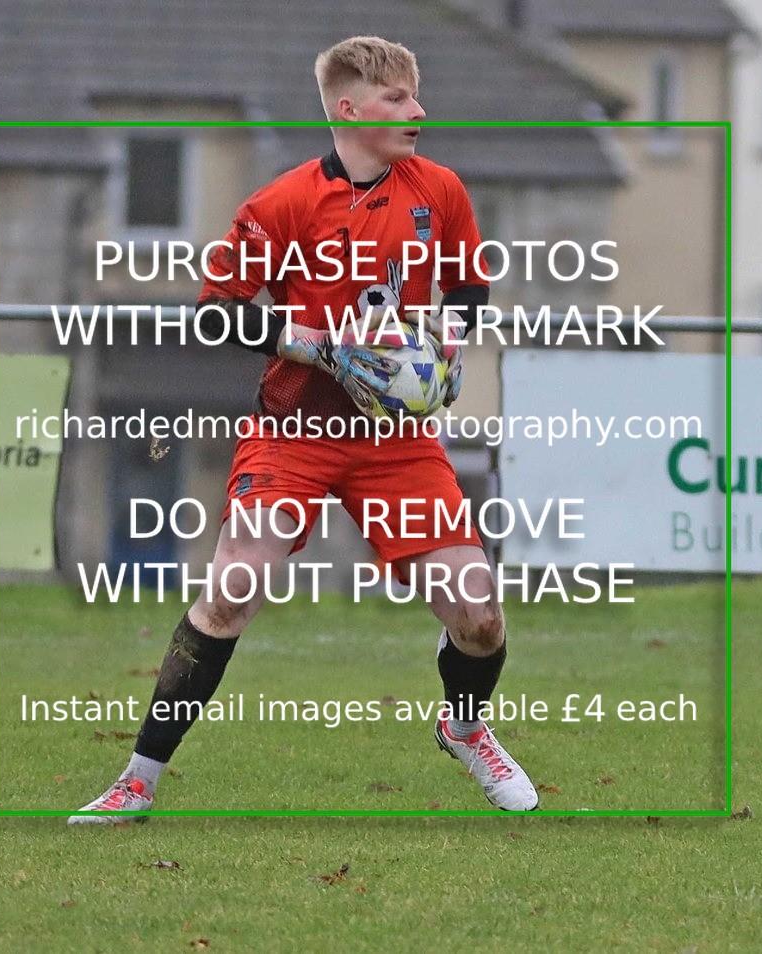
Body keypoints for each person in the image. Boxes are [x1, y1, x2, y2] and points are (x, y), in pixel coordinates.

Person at [69, 35, 538, 822]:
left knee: (480, 619)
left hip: (397, 441)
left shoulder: (442, 191)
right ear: (348, 109)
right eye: (398, 100)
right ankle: (136, 782)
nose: (418, 112)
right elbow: (216, 315)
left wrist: (448, 351)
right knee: (230, 592)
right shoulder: (283, 203)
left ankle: (464, 729)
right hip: (297, 427)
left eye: (417, 97)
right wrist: (313, 343)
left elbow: (466, 290)